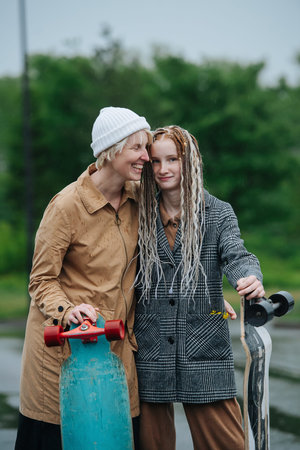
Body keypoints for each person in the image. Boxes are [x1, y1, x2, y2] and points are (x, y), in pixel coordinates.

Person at [15, 106, 152, 450]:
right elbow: (41, 280)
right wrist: (67, 311)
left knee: (115, 437)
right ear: (112, 150)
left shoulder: (140, 200)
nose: (146, 157)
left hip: (116, 350)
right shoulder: (66, 205)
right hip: (64, 353)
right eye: (137, 148)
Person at [134, 125, 265, 450]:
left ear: (189, 161)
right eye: (155, 161)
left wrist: (248, 276)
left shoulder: (218, 213)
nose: (163, 169)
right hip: (151, 352)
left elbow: (238, 254)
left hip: (204, 348)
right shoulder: (138, 214)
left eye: (172, 159)